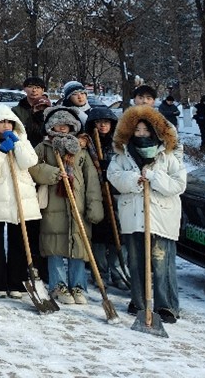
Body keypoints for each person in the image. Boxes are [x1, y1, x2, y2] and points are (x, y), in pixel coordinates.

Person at [108, 105, 187, 324]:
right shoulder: (123, 155)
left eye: (146, 130)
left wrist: (153, 177)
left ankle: (166, 305)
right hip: (133, 216)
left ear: (154, 131)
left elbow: (178, 185)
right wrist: (133, 179)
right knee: (136, 262)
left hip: (161, 217)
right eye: (137, 130)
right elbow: (114, 177)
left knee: (162, 263)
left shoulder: (167, 156)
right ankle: (139, 302)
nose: (141, 134)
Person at [29, 105, 103, 305]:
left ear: (73, 126)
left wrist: (94, 206)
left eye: (66, 124)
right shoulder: (44, 147)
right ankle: (58, 285)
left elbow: (91, 180)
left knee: (79, 246)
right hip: (53, 205)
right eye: (58, 124)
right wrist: (52, 173)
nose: (62, 127)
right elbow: (32, 167)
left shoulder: (81, 149)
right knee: (54, 246)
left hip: (78, 205)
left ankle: (78, 285)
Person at [0, 104, 40, 299]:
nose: (6, 125)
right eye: (1, 122)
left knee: (19, 240)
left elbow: (29, 162)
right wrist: (1, 151)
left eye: (9, 122)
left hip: (20, 196)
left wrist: (17, 144)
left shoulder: (22, 139)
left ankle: (17, 281)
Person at [85, 106, 127, 291]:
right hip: (96, 195)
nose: (102, 126)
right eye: (98, 123)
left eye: (106, 122)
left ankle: (118, 272)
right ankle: (100, 273)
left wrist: (108, 169)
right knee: (99, 237)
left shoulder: (119, 144)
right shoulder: (87, 144)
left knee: (118, 236)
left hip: (116, 194)